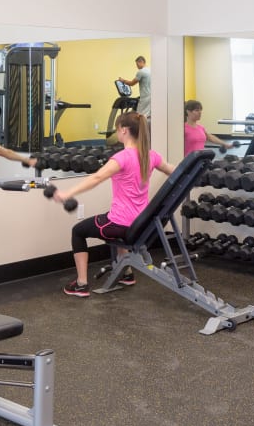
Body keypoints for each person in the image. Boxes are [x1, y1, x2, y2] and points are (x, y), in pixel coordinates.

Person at [54, 112, 175, 297]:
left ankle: (81, 284)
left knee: (78, 231)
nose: (117, 133)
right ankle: (127, 273)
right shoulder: (151, 156)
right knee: (113, 219)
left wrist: (67, 193)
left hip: (122, 225)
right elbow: (175, 171)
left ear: (124, 130)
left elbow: (97, 178)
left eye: (118, 129)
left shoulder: (122, 157)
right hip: (142, 223)